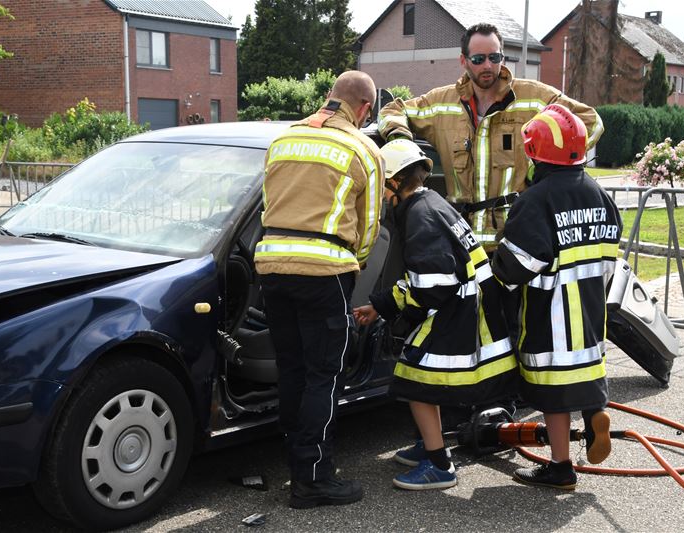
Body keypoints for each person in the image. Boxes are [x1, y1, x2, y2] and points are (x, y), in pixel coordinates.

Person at [353, 139, 517, 490]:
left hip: (458, 309)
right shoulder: (430, 202)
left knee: (415, 379)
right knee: (422, 380)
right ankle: (429, 445)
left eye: (381, 186)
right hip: (464, 304)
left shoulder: (420, 215)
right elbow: (425, 279)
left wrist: (389, 305)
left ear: (395, 182)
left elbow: (433, 285)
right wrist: (381, 305)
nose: (379, 196)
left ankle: (440, 465)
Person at [253, 70, 385, 508]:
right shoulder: (363, 148)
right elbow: (368, 228)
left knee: (291, 368)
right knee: (323, 376)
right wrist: (355, 264)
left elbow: (271, 203)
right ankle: (313, 478)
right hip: (324, 272)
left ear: (330, 98)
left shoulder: (283, 139)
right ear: (364, 108)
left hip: (270, 267)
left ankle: (295, 459)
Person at [377, 22, 604, 249]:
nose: (488, 65)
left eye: (494, 58)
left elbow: (590, 122)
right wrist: (402, 144)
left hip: (516, 241)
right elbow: (392, 111)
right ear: (463, 61)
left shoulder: (534, 98)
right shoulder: (441, 104)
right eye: (478, 59)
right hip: (460, 243)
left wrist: (548, 168)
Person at [492, 104, 620, 489]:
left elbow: (515, 268)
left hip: (550, 318)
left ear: (533, 152)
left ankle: (561, 467)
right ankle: (595, 412)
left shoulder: (536, 200)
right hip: (591, 314)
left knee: (553, 393)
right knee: (583, 375)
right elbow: (610, 259)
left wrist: (493, 264)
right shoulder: (600, 193)